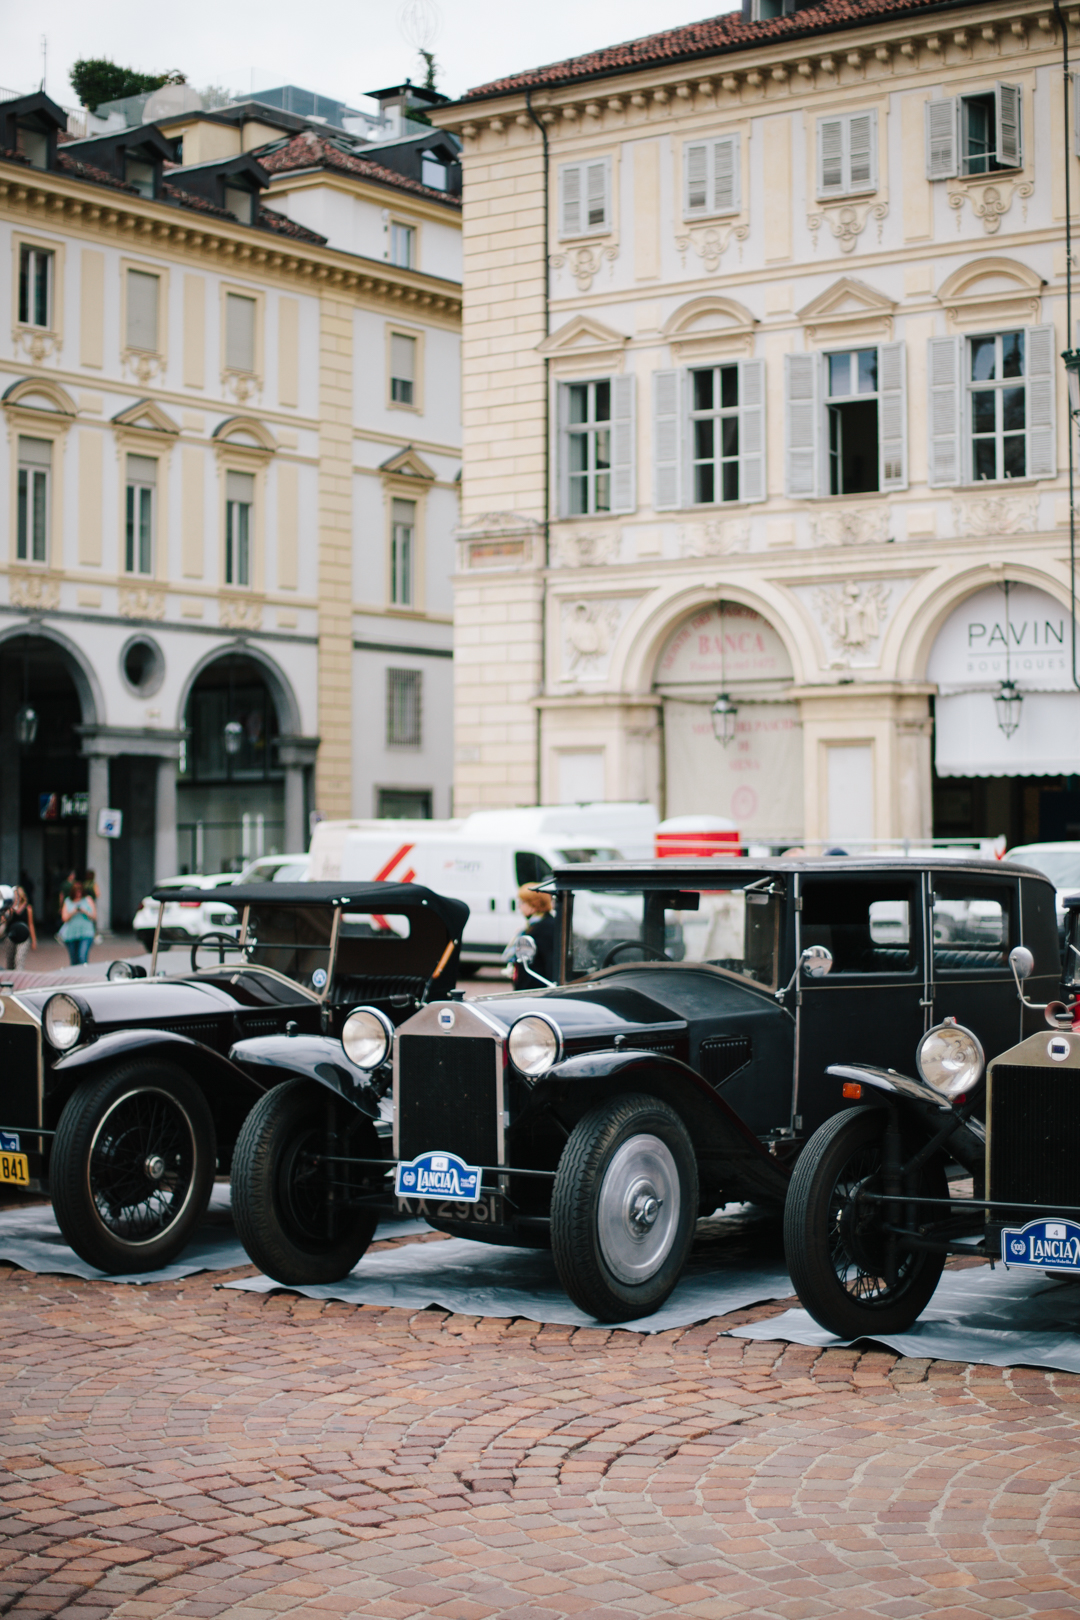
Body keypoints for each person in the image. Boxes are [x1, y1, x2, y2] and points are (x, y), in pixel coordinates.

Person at [512, 885, 557, 991]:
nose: (519, 906)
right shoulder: (535, 924)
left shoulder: (544, 927)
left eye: (522, 902)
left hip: (535, 987)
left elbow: (549, 961)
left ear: (534, 904)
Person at [59, 882, 96, 967]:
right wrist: (73, 911)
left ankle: (84, 975)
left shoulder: (88, 899)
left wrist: (85, 911)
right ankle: (75, 977)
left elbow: (94, 916)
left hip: (86, 932)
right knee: (74, 960)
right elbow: (64, 918)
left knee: (82, 957)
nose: (78, 894)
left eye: (80, 892)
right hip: (71, 934)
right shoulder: (68, 901)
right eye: (76, 892)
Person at [3, 887, 36, 971]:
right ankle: (11, 979)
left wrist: (34, 940)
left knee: (19, 959)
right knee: (10, 961)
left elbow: (31, 924)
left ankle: (19, 977)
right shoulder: (9, 908)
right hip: (10, 937)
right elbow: (4, 922)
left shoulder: (27, 908)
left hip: (23, 937)